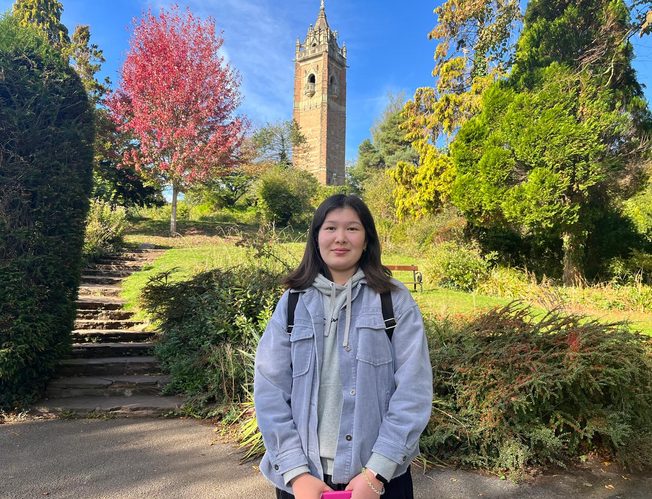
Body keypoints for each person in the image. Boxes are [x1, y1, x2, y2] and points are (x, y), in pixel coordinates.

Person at [254, 194, 432, 499]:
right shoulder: (293, 302)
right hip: (305, 480)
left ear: (367, 240)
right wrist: (296, 475)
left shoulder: (394, 300)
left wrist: (376, 473)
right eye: (330, 228)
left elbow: (413, 390)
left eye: (352, 229)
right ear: (316, 238)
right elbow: (270, 388)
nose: (340, 238)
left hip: (378, 481)